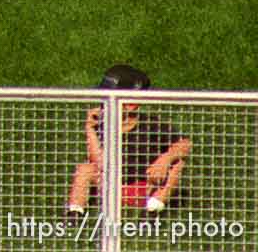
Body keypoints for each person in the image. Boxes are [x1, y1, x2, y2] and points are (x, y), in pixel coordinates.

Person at [66, 64, 190, 219]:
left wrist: (165, 159)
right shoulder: (103, 126)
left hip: (147, 186)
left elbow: (185, 144)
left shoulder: (151, 124)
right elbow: (99, 163)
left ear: (131, 104)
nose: (103, 102)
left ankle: (152, 210)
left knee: (177, 163)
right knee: (85, 169)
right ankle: (74, 213)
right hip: (112, 188)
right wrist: (90, 129)